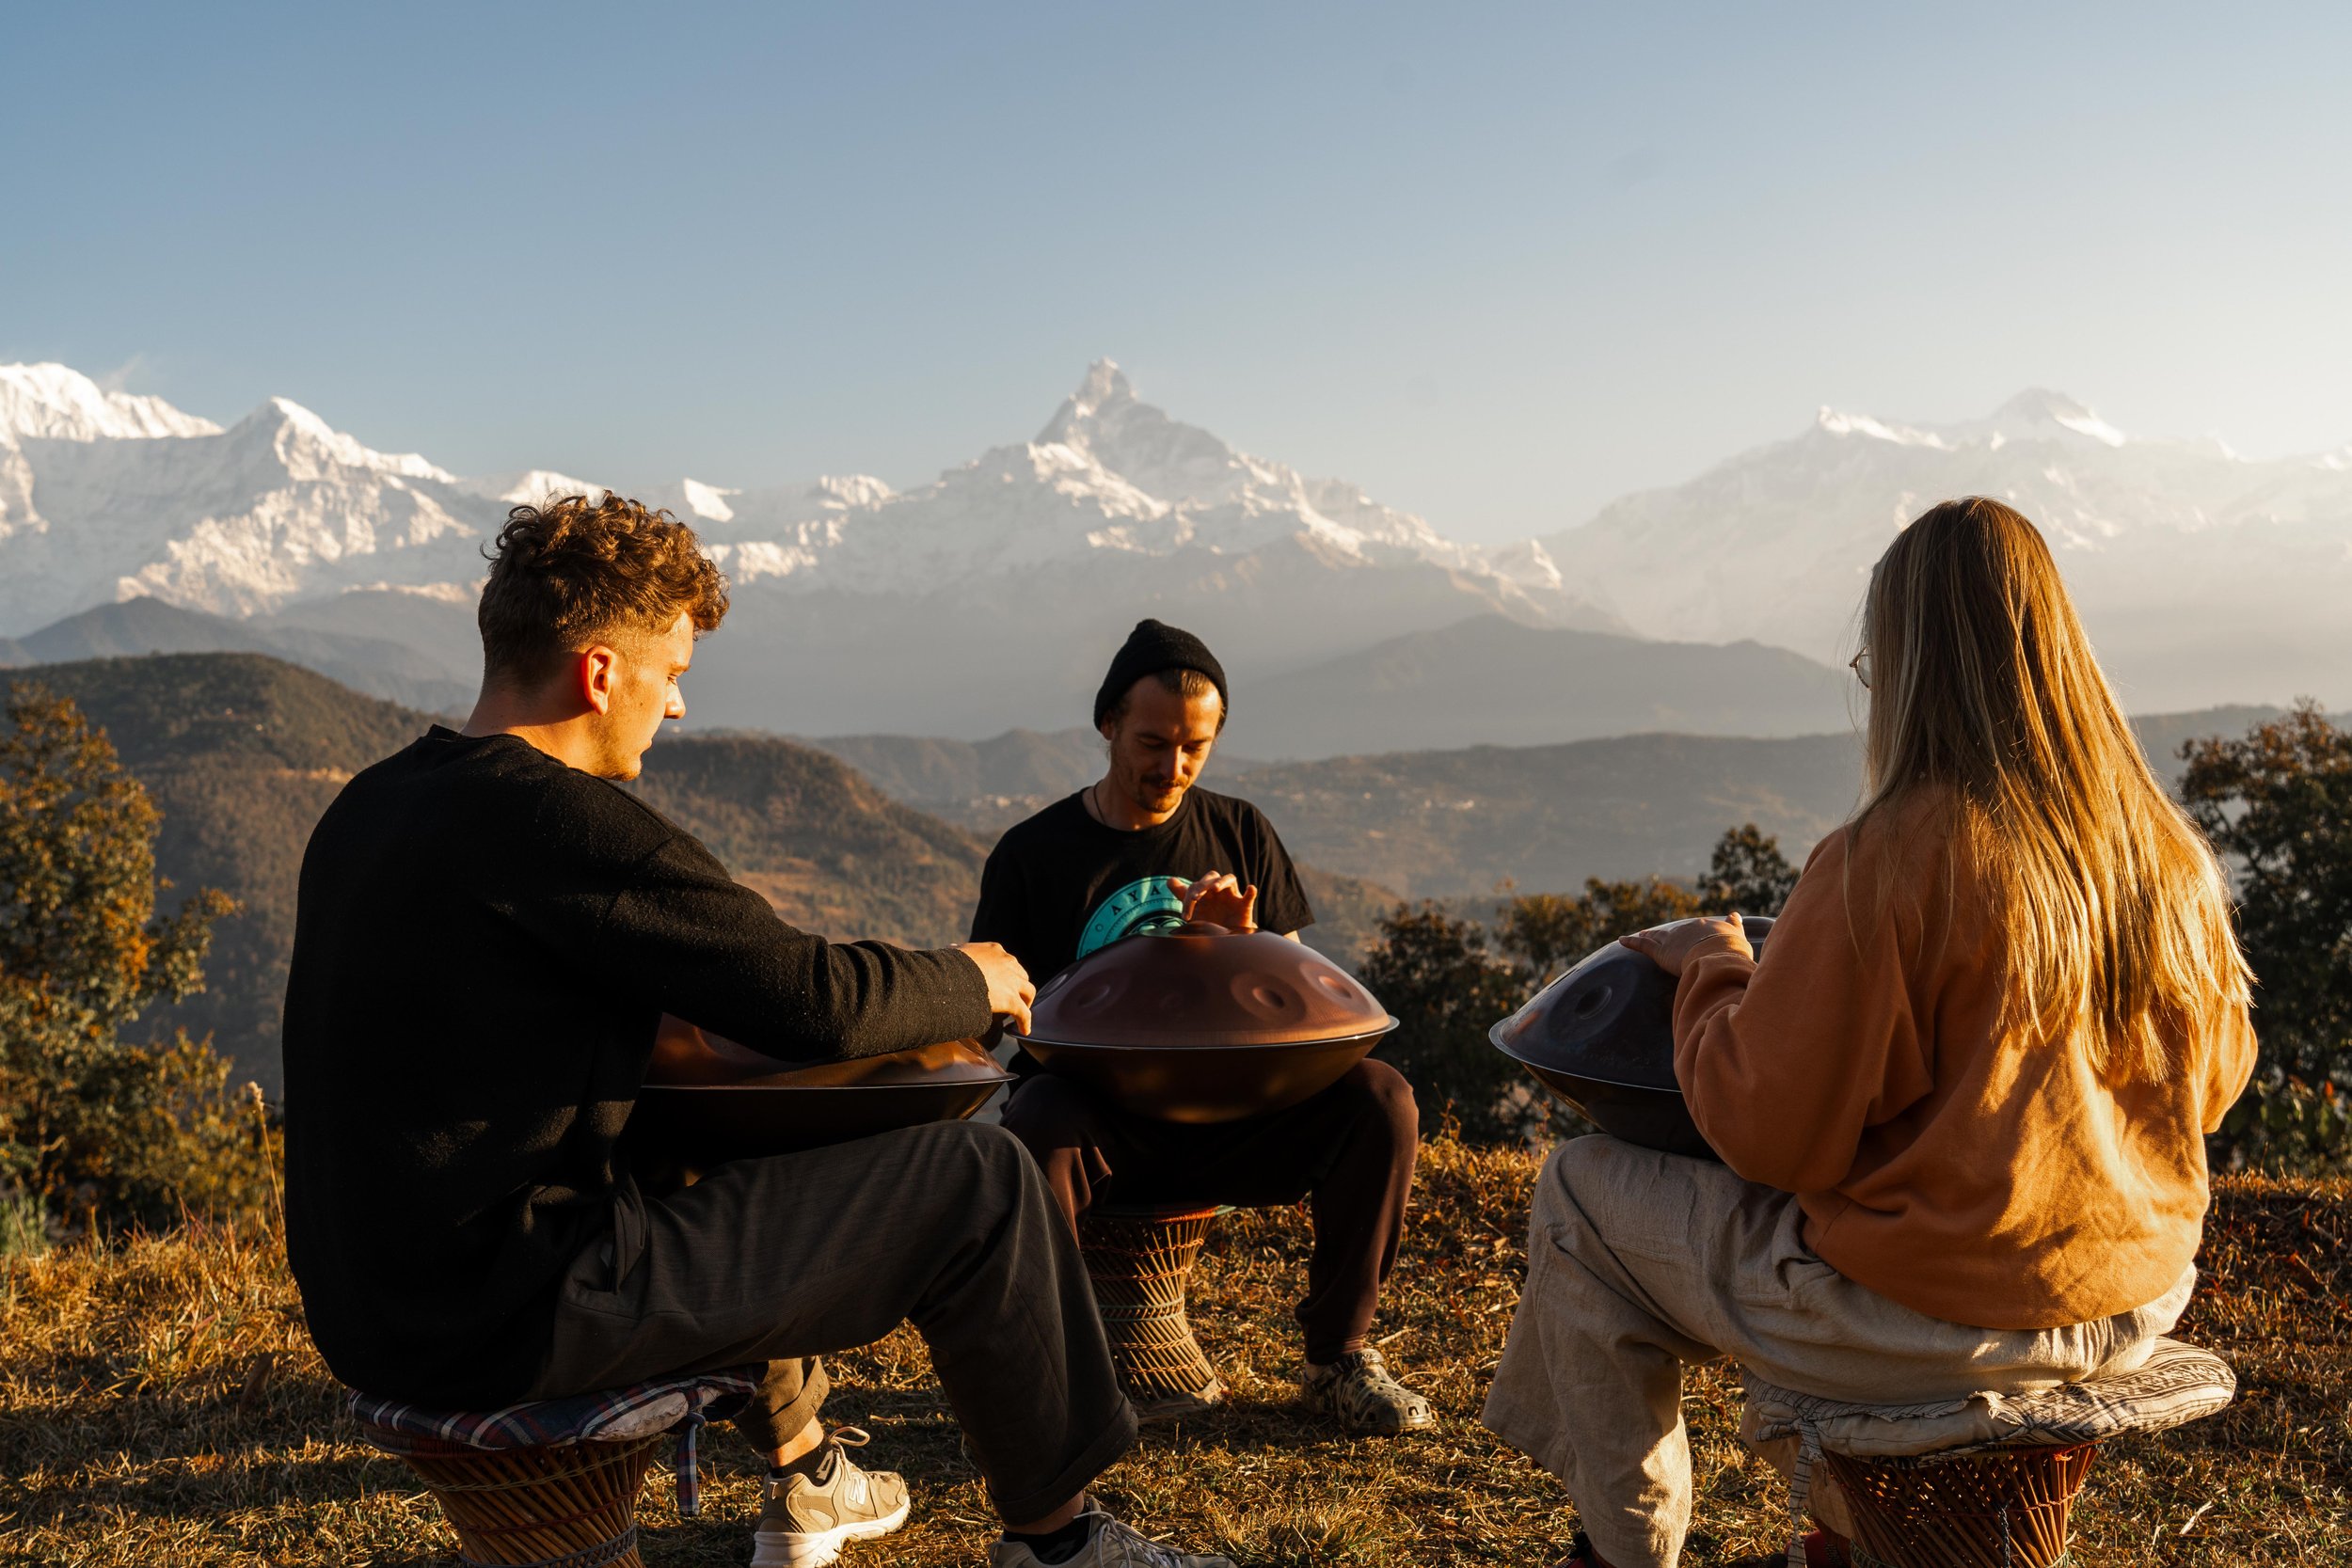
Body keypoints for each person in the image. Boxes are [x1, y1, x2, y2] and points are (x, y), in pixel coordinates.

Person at [282, 495, 1232, 1568]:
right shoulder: (560, 820)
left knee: (700, 1158)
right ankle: (1059, 1542)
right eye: (673, 674)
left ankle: (810, 1468)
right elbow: (807, 996)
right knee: (981, 1177)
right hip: (512, 1302)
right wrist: (972, 977)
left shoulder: (372, 801)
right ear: (601, 674)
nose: (677, 707)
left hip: (370, 1300)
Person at [1480, 498, 2259, 1568]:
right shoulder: (2165, 858)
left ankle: (1618, 1552)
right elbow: (2211, 1087)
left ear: (1906, 666)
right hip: (2134, 1294)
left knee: (1577, 1192)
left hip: (1936, 1327)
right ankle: (1851, 1541)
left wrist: (1715, 969)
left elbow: (1770, 1132)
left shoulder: (1888, 857)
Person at [971, 618, 1431, 1433]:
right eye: (1152, 742)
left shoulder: (1240, 831)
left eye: (1194, 748)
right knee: (1037, 1117)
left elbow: (1298, 1011)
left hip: (1236, 1123)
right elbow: (1001, 1012)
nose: (1170, 767)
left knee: (1380, 1098)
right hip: (1104, 1132)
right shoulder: (1033, 854)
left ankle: (1338, 1359)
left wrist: (1238, 945)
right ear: (1108, 724)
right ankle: (1046, 1374)